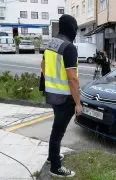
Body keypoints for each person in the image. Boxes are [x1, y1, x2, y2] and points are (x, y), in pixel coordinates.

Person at [41, 14, 82, 178]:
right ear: (72, 28)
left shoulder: (51, 43)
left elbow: (43, 66)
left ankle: (52, 157)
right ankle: (55, 167)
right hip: (65, 98)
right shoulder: (69, 48)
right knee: (57, 133)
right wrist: (78, 103)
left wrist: (51, 83)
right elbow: (72, 78)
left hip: (52, 95)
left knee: (56, 130)